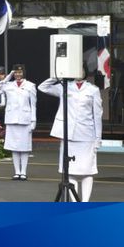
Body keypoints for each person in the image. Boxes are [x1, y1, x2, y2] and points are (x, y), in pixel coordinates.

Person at [38, 67, 103, 202]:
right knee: (70, 171)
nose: (79, 72)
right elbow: (43, 87)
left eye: (81, 70)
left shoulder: (93, 90)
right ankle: (75, 203)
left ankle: (84, 203)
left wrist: (98, 139)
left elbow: (97, 116)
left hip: (87, 135)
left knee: (87, 170)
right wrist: (60, 75)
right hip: (69, 135)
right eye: (76, 69)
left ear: (85, 72)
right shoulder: (65, 86)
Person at [0, 64, 37, 181]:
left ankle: (23, 172)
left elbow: (33, 105)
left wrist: (33, 120)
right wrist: (8, 76)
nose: (18, 75)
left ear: (23, 73)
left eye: (20, 72)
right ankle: (17, 172)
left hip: (25, 119)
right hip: (12, 119)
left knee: (24, 147)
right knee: (14, 147)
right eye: (15, 73)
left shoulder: (30, 86)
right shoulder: (8, 85)